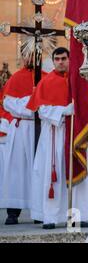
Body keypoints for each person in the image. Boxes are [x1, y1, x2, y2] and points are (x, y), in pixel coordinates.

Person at [27, 47, 88, 229]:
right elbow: (42, 110)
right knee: (52, 176)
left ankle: (77, 215)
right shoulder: (46, 82)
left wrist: (80, 109)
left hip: (76, 133)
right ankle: (50, 217)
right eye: (57, 59)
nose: (60, 62)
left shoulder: (79, 81)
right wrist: (64, 111)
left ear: (70, 59)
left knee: (78, 171)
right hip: (54, 134)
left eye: (64, 58)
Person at [0, 60, 44, 224]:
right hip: (20, 129)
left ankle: (38, 211)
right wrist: (31, 103)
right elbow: (8, 103)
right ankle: (13, 212)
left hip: (40, 128)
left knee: (39, 169)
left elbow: (49, 103)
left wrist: (32, 103)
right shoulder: (16, 77)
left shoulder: (46, 77)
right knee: (16, 170)